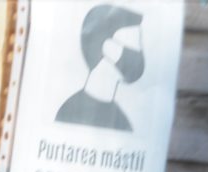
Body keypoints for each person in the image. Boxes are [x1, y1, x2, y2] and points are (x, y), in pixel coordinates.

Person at [57, 2, 145, 131]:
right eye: (130, 50)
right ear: (108, 48)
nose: (136, 61)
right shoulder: (68, 113)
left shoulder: (122, 123)